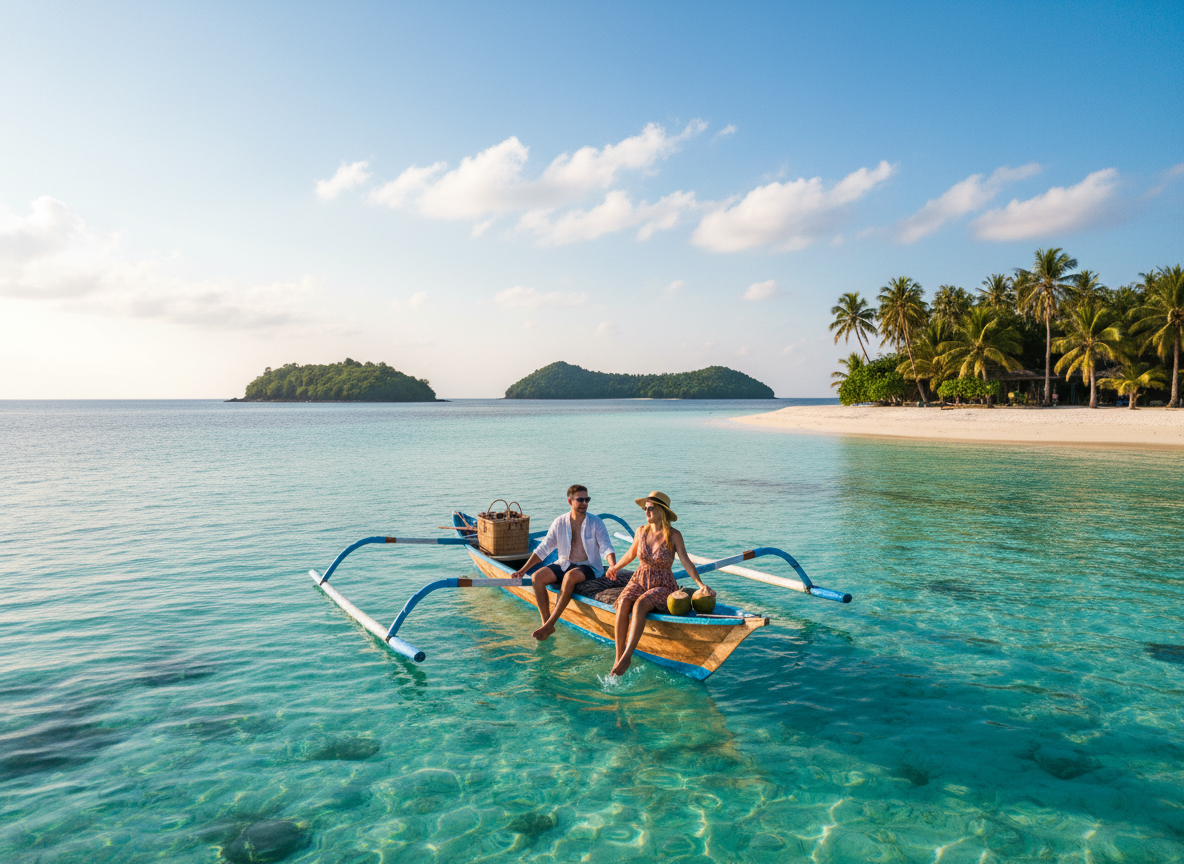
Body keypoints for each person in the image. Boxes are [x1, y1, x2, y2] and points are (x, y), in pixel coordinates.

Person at [604, 491, 712, 676]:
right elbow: (631, 554)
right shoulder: (641, 531)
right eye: (645, 509)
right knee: (623, 603)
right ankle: (618, 656)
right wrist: (615, 567)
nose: (647, 512)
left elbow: (686, 561)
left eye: (651, 508)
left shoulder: (674, 535)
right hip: (639, 578)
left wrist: (700, 584)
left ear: (662, 511)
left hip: (663, 583)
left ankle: (628, 656)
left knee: (640, 605)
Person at [510, 485, 617, 642]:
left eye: (587, 499)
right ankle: (546, 623)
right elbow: (543, 549)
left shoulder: (596, 522)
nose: (585, 503)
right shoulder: (560, 522)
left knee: (570, 577)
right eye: (580, 499)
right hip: (564, 563)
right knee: (536, 577)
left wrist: (613, 566)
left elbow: (606, 547)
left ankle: (550, 623)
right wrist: (523, 570)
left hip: (588, 566)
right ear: (570, 501)